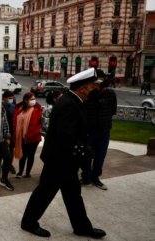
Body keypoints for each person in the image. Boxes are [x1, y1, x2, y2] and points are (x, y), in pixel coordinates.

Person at [20, 68, 106, 239]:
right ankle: (29, 223)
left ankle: (81, 227)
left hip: (66, 160)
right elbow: (65, 135)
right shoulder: (69, 104)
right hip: (59, 160)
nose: (96, 89)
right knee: (44, 193)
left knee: (73, 195)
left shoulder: (74, 101)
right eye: (93, 86)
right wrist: (83, 150)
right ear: (83, 88)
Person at [81, 73, 117, 190]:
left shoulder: (111, 94)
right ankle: (86, 177)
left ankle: (95, 178)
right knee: (86, 155)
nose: (98, 84)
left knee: (100, 156)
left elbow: (113, 111)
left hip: (104, 131)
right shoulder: (88, 95)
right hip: (89, 132)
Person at [13, 92, 42, 178]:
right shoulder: (19, 108)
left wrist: (32, 134)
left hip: (33, 138)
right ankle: (20, 172)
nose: (33, 101)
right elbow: (15, 121)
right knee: (23, 155)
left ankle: (27, 173)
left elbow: (38, 124)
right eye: (31, 99)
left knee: (31, 155)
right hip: (22, 137)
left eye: (34, 99)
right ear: (26, 100)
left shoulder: (37, 109)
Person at [2, 90, 17, 174]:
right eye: (9, 98)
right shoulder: (0, 107)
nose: (11, 100)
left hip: (11, 132)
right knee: (1, 152)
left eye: (12, 98)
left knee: (11, 150)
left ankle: (9, 165)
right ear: (4, 98)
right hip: (2, 134)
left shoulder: (13, 107)